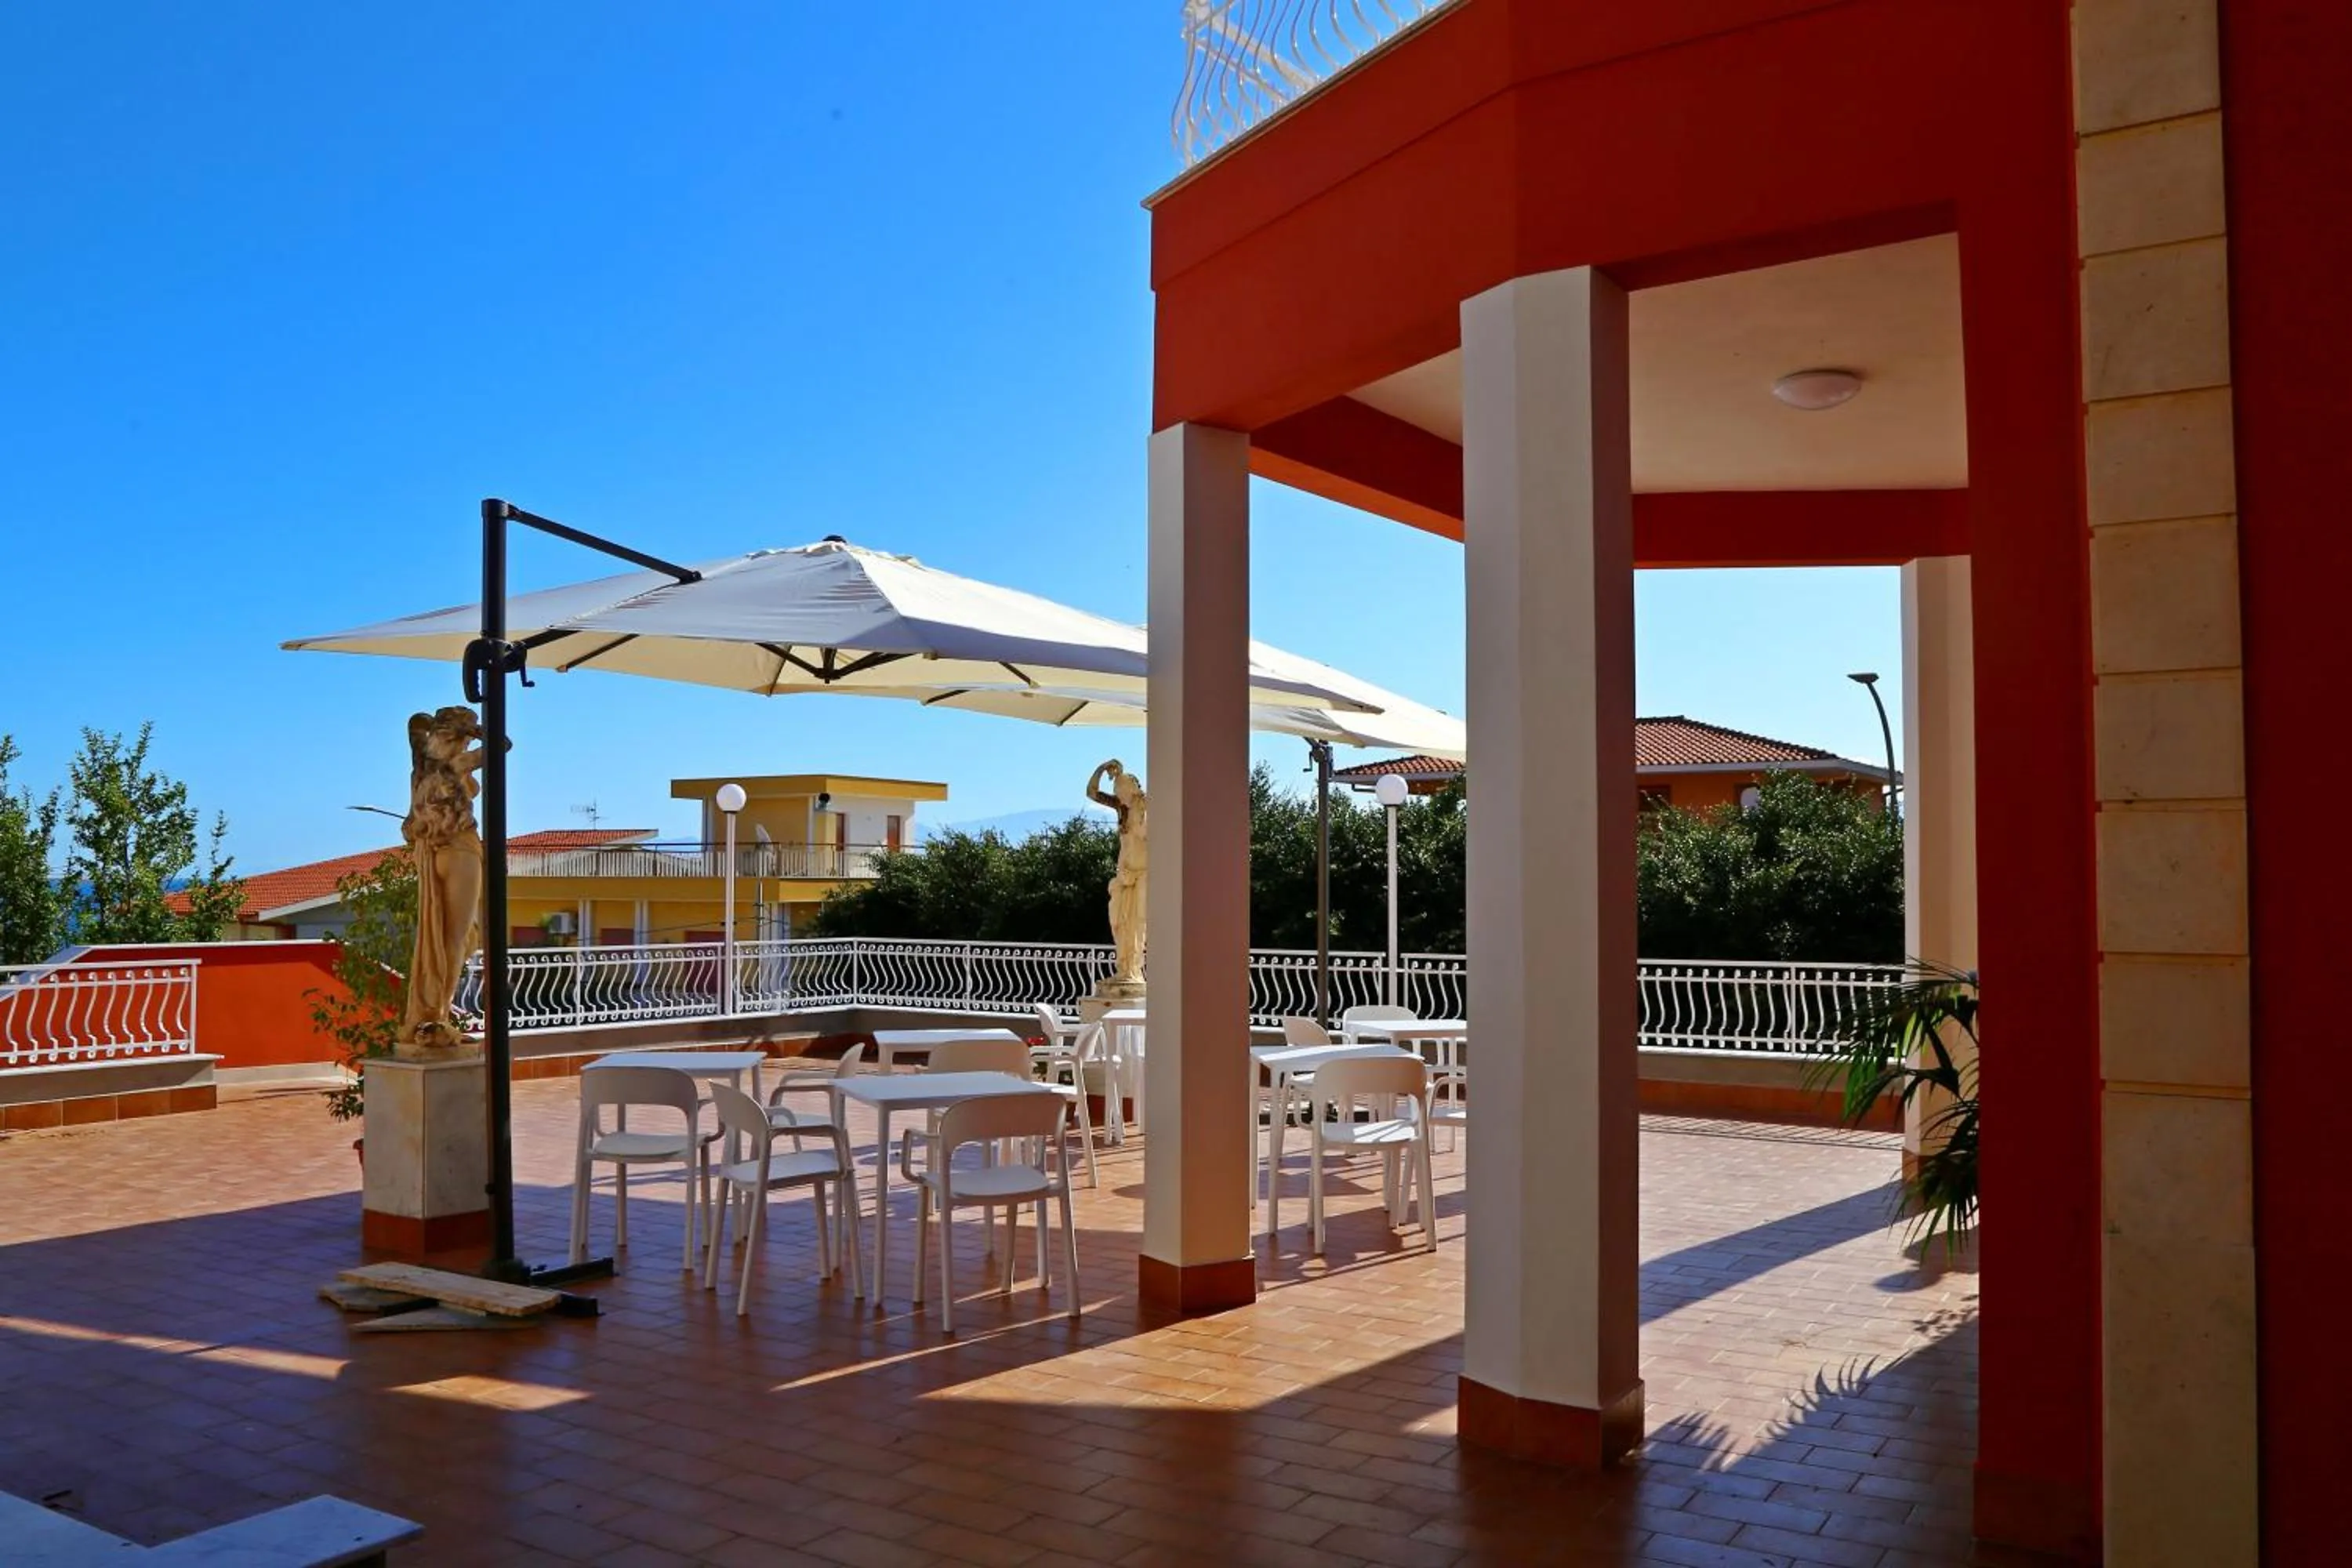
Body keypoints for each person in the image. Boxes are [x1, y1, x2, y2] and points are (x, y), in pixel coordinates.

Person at [398, 706, 489, 1056]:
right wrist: (482, 733)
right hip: (461, 850)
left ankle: (431, 1012)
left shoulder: (420, 771)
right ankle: (437, 1014)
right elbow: (502, 746)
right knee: (454, 939)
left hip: (432, 854)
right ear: (461, 736)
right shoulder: (454, 765)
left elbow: (415, 726)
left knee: (444, 935)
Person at [1086, 759, 1149, 986]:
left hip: (1143, 874)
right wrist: (1102, 768)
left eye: (1122, 788)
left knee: (1139, 921)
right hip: (1124, 876)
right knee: (1119, 921)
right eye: (1116, 789)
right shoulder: (1121, 808)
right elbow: (1092, 793)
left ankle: (1134, 970)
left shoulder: (1149, 806)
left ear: (1134, 787)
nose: (1118, 792)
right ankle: (1124, 969)